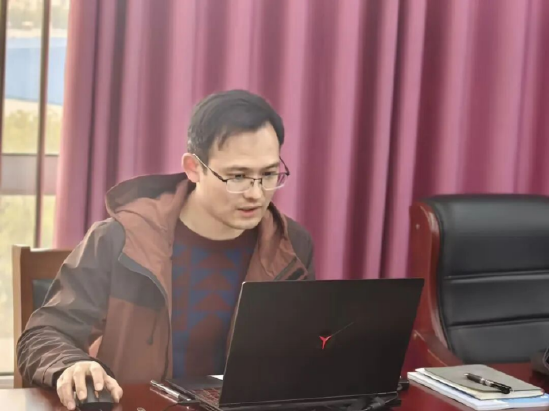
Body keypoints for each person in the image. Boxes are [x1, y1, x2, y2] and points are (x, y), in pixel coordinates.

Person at [17, 90, 316, 410]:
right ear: (193, 167)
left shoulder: (289, 245)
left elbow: (303, 353)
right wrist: (71, 364)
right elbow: (44, 334)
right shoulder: (121, 238)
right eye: (238, 177)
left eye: (268, 174)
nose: (256, 194)